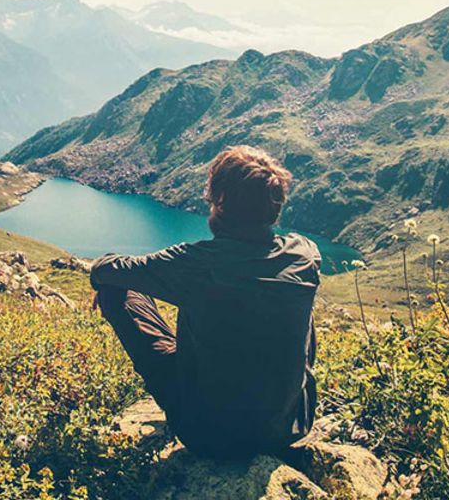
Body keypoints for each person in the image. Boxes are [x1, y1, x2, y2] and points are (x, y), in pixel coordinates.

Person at [90, 145, 320, 460]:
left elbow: (105, 269)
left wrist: (105, 283)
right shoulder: (305, 254)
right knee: (293, 300)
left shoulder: (196, 263)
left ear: (221, 203)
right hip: (290, 427)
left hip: (209, 433)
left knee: (118, 288)